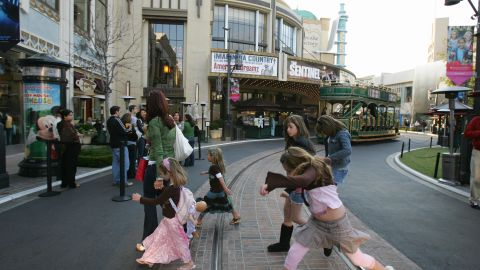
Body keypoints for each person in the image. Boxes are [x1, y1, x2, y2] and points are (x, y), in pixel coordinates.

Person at [259, 147, 395, 270]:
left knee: (357, 259)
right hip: (316, 223)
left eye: (288, 170)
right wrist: (275, 187)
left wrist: (271, 184)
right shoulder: (311, 168)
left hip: (338, 225)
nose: (288, 173)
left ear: (298, 165)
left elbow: (303, 181)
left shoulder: (313, 169)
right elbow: (301, 181)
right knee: (295, 251)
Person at [132, 158, 196, 270]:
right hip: (168, 220)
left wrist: (140, 199)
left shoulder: (170, 189)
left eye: (162, 173)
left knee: (179, 243)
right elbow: (168, 197)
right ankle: (150, 259)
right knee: (158, 238)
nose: (161, 175)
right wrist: (163, 188)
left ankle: (189, 263)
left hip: (172, 222)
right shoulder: (174, 186)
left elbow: (156, 201)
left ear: (169, 173)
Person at [267, 115, 315, 253]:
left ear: (299, 127)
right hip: (293, 184)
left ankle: (325, 236)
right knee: (287, 214)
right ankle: (284, 244)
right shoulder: (294, 142)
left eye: (291, 127)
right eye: (286, 127)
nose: (288, 130)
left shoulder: (303, 144)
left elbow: (303, 170)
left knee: (296, 217)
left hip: (298, 186)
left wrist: (288, 188)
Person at [136, 90, 177, 251]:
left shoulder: (154, 122)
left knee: (149, 202)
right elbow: (169, 145)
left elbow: (158, 149)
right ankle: (180, 232)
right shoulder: (169, 120)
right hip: (170, 164)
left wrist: (159, 176)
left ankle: (149, 239)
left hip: (157, 166)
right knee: (167, 202)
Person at [196, 148, 241, 226]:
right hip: (220, 191)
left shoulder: (214, 167)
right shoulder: (217, 166)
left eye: (209, 155)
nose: (207, 156)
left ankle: (199, 221)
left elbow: (220, 178)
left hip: (214, 191)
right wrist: (206, 172)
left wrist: (226, 189)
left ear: (213, 157)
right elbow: (216, 173)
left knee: (205, 204)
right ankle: (236, 216)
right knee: (227, 203)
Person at [316, 115, 352, 185]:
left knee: (331, 187)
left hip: (339, 167)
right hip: (332, 165)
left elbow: (347, 150)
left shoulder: (342, 134)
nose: (323, 134)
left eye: (324, 131)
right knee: (328, 186)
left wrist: (329, 158)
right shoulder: (331, 133)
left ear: (328, 127)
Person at [106, 106, 133, 187]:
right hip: (121, 144)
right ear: (116, 112)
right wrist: (130, 126)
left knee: (116, 163)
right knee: (125, 163)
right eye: (119, 111)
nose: (120, 112)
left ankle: (116, 180)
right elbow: (125, 130)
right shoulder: (117, 120)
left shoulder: (109, 120)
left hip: (113, 143)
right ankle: (123, 181)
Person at [57, 109, 81, 189]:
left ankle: (64, 183)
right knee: (71, 166)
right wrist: (77, 136)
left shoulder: (63, 124)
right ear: (65, 116)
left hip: (66, 148)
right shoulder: (66, 124)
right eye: (70, 115)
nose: (72, 116)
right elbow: (69, 136)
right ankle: (71, 183)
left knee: (65, 165)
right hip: (70, 147)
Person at [464, 116, 480, 209]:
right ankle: (474, 200)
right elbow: (467, 133)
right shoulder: (476, 120)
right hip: (478, 152)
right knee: (477, 178)